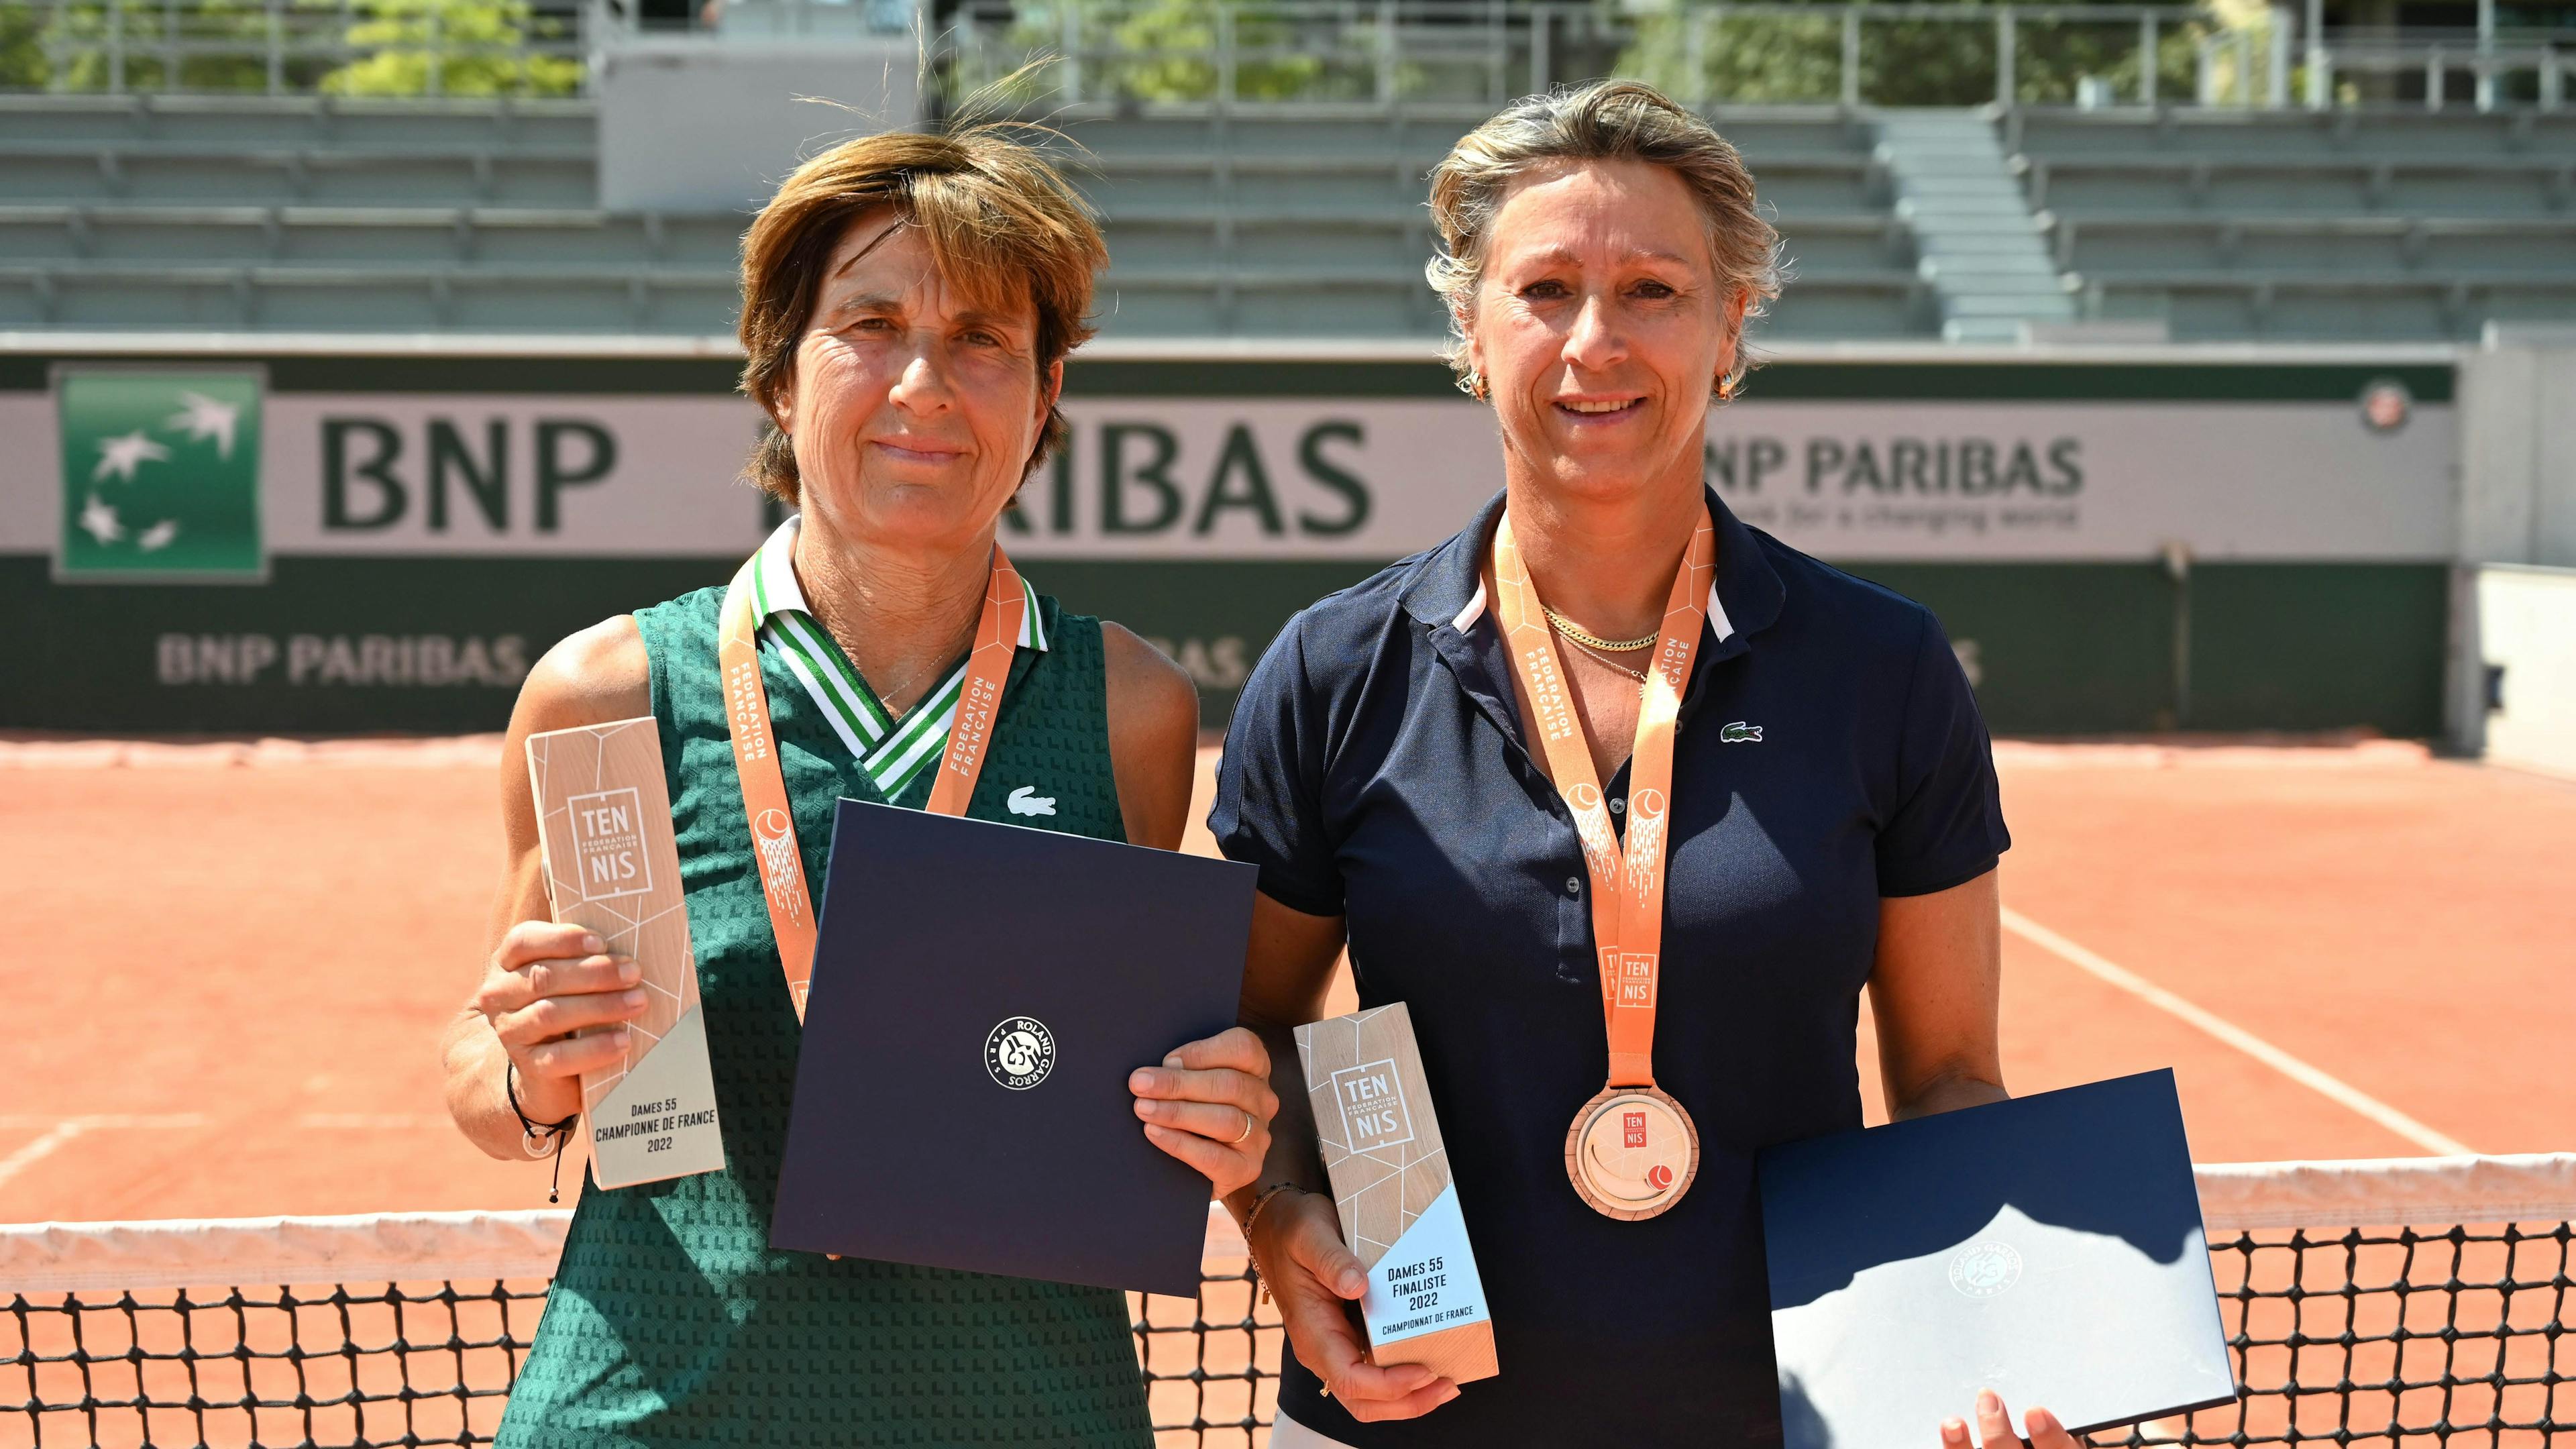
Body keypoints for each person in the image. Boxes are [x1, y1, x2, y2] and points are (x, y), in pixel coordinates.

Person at [1211, 80, 2065, 1448]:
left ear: (1732, 329)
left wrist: (2010, 1352)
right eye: (1544, 287)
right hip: (1404, 1411)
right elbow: (1251, 1035)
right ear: (1472, 332)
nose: (1594, 340)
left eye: (1655, 290)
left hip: (1798, 1420)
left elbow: (1952, 1072)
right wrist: (1278, 1222)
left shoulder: (1884, 669)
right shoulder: (1332, 671)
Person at [438, 122, 1277, 1446]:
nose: (926, 382)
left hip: (1025, 1414)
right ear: (779, 376)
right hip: (658, 1414)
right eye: (869, 324)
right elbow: (484, 1076)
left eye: (985, 338)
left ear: (1047, 388)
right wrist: (529, 1065)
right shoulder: (610, 692)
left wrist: (1208, 1108)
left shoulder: (1128, 707)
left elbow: (1099, 1077)